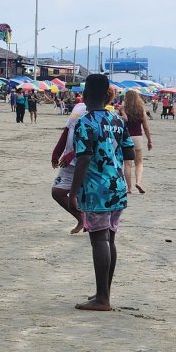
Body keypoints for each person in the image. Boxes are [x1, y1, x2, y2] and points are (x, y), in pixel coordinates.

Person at [69, 74, 134, 312]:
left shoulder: (85, 123)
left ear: (84, 96)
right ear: (108, 95)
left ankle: (102, 299)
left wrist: (73, 192)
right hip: (117, 187)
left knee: (98, 240)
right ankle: (103, 292)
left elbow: (83, 158)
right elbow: (129, 153)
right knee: (110, 239)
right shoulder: (118, 121)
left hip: (96, 189)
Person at [50, 99, 88, 233]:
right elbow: (67, 131)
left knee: (81, 195)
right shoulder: (78, 107)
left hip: (88, 162)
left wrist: (72, 154)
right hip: (69, 161)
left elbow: (93, 142)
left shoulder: (99, 113)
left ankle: (94, 224)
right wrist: (57, 152)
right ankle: (81, 219)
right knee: (57, 192)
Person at [121, 90, 153, 194]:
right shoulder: (141, 110)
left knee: (127, 164)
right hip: (138, 138)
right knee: (139, 163)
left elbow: (120, 123)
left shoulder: (123, 109)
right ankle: (138, 182)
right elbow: (146, 127)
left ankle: (129, 188)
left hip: (126, 138)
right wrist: (149, 140)